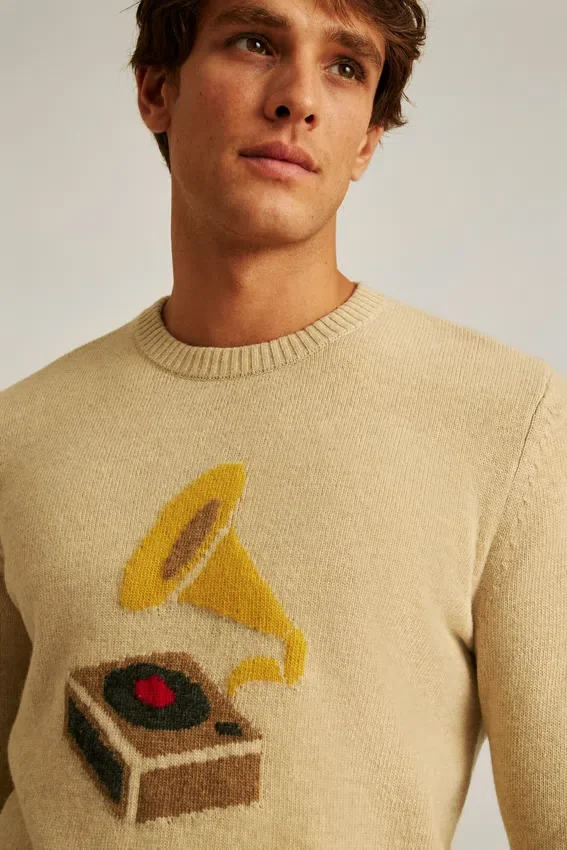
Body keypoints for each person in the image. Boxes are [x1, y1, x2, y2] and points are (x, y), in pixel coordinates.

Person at [0, 0, 565, 847]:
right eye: (255, 41)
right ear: (156, 90)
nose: (297, 97)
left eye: (345, 66)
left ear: (366, 141)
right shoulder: (19, 434)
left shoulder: (510, 419)